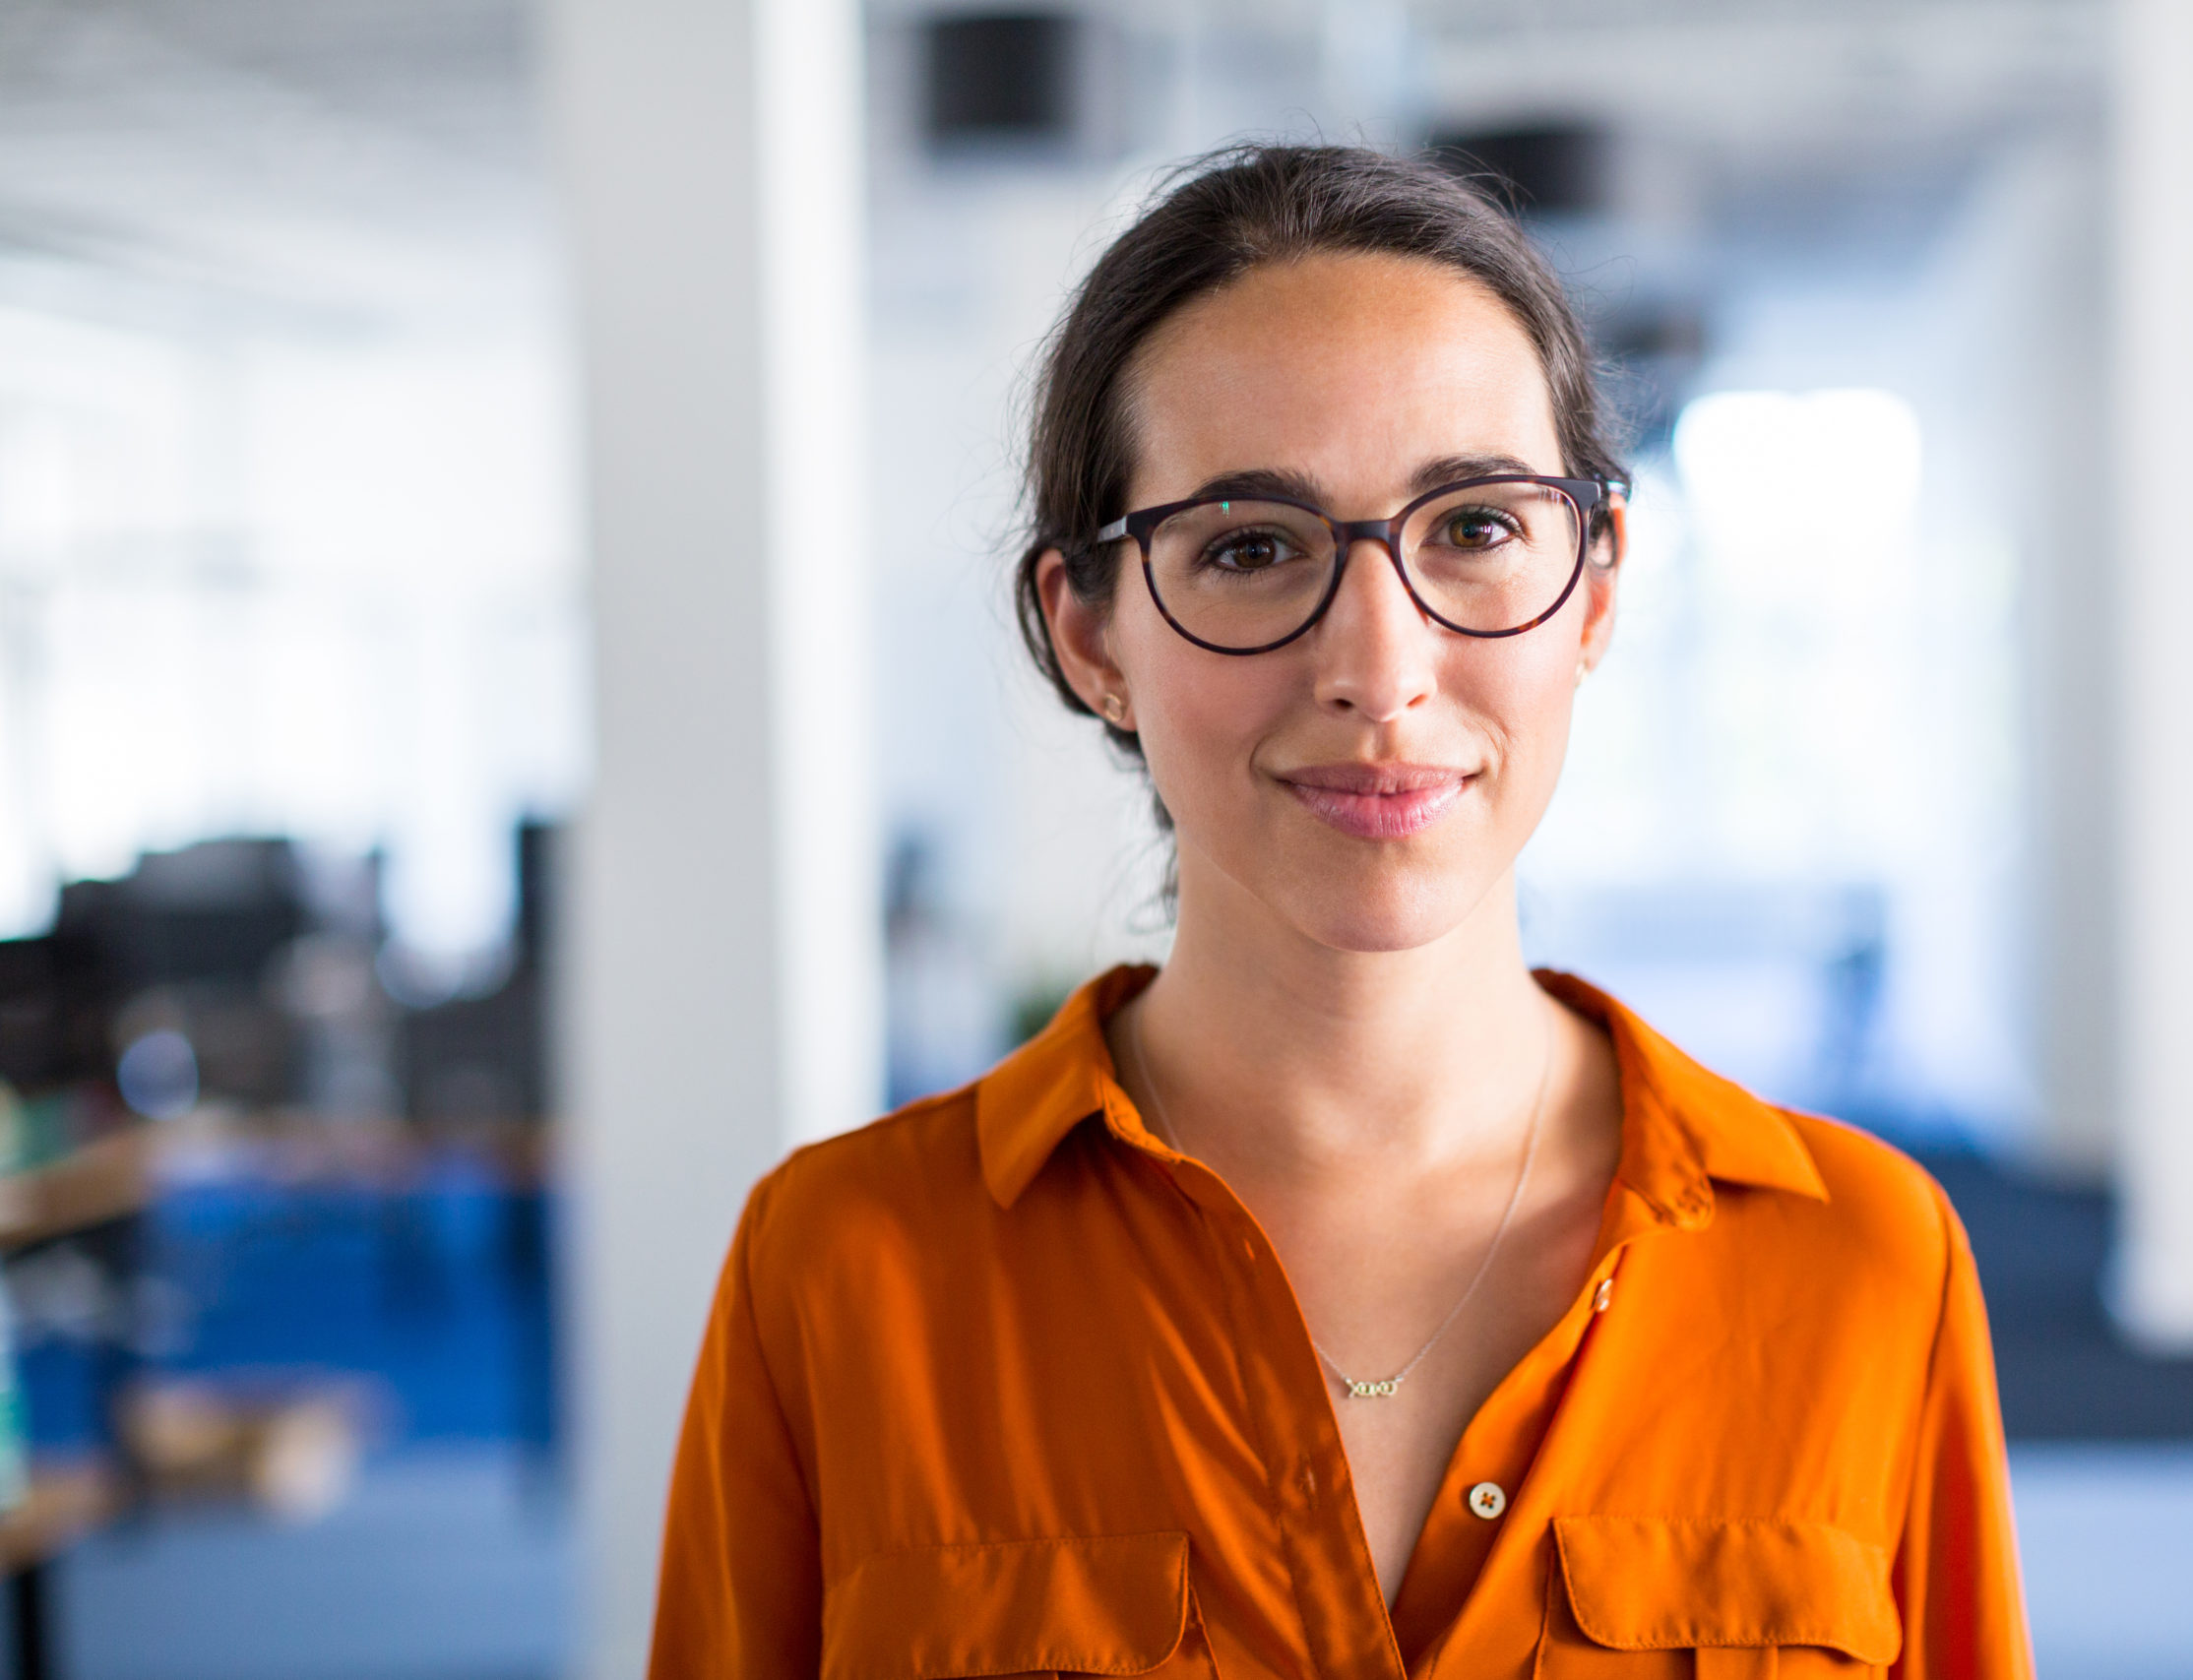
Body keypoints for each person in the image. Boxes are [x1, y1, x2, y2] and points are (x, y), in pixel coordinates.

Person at [651, 144, 2033, 1680]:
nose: (1380, 669)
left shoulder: (1860, 1266)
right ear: (1090, 632)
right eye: (1251, 547)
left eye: (1478, 528)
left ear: (1595, 589)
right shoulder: (843, 1272)